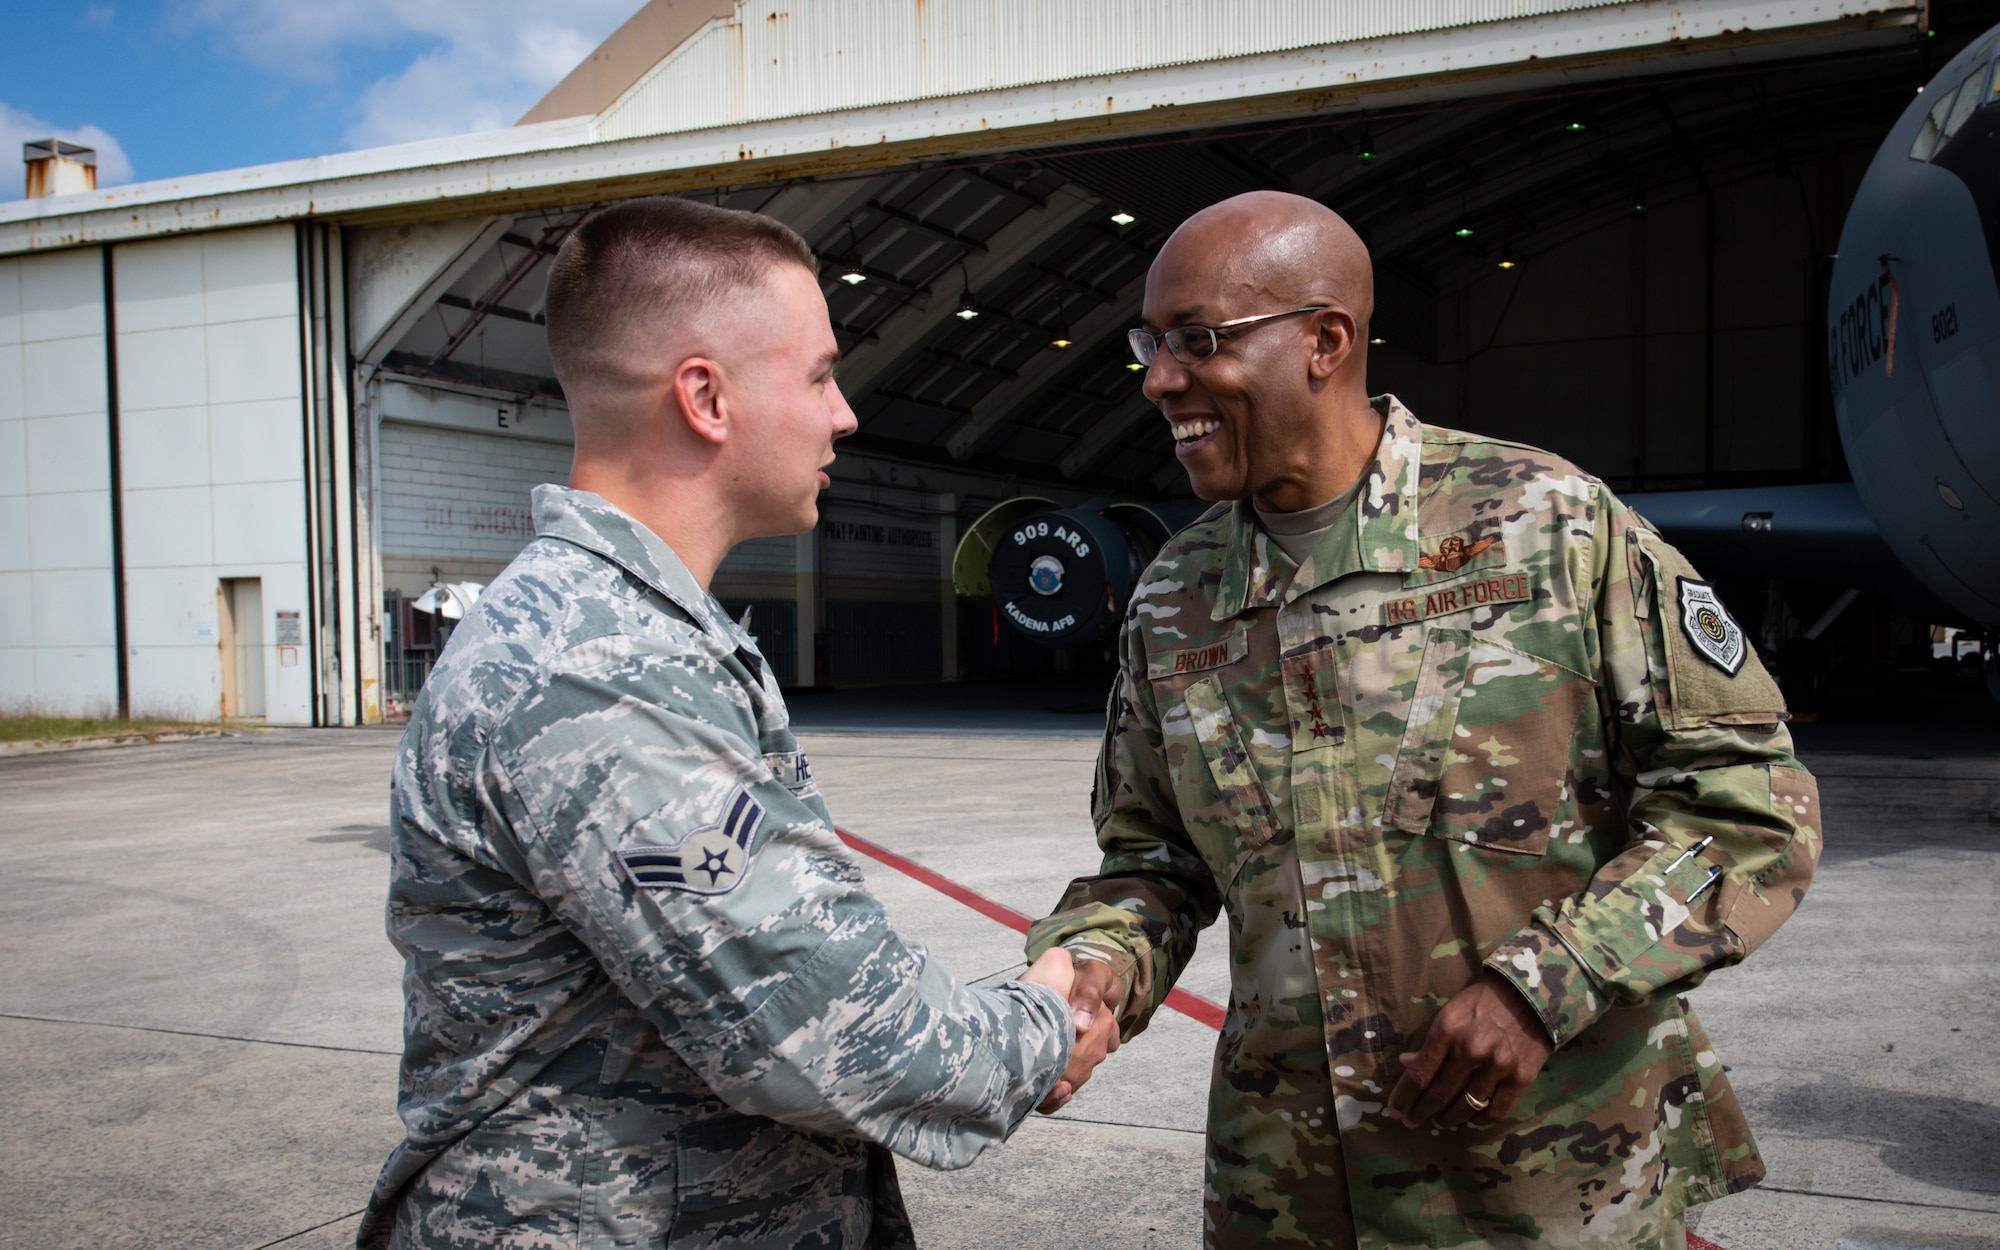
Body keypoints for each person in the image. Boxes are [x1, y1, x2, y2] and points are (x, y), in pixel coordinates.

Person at [1025, 191, 1822, 1250]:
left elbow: (1744, 809)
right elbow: (1155, 860)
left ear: (1324, 340)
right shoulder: (1176, 597)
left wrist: (1549, 983)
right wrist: (1092, 971)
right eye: (1151, 343)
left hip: (1545, 1182)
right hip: (1291, 1192)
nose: (1159, 378)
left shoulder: (1545, 526)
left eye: (1196, 341)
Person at [359, 195, 1116, 1250]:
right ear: (705, 396)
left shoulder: (638, 637)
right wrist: (1045, 1017)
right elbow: (830, 1028)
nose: (844, 413)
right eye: (817, 374)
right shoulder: (596, 673)